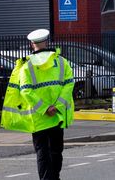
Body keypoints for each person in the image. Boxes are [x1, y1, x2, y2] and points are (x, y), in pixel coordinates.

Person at [20, 29, 74, 180]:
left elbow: (25, 91)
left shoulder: (26, 66)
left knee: (42, 153)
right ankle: (55, 177)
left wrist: (44, 108)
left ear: (32, 44)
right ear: (47, 42)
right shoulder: (62, 62)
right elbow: (69, 84)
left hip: (38, 118)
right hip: (57, 116)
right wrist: (56, 106)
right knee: (56, 151)